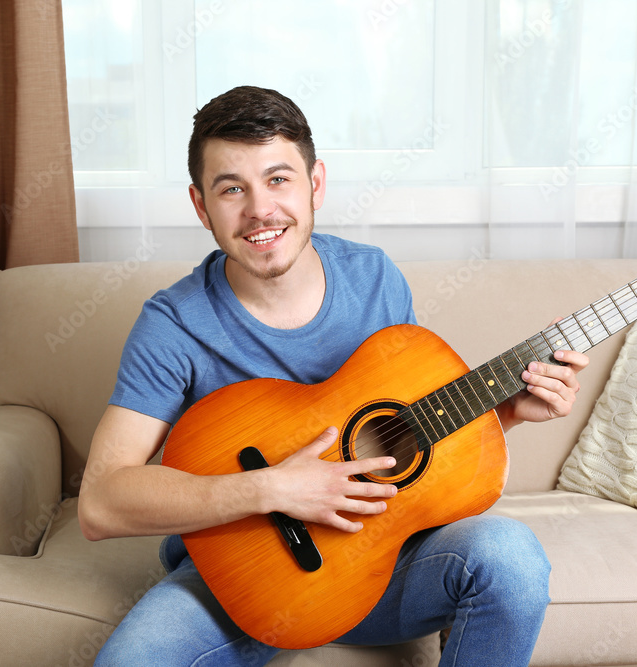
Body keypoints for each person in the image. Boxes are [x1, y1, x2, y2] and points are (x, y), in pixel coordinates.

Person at [80, 85, 588, 667]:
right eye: (231, 189)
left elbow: (403, 446)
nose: (259, 210)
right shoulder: (171, 323)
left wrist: (506, 413)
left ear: (315, 183)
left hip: (382, 569)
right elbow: (100, 503)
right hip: (243, 583)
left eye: (278, 179)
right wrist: (270, 488)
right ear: (200, 205)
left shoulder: (374, 279)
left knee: (513, 559)